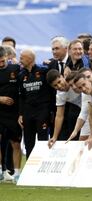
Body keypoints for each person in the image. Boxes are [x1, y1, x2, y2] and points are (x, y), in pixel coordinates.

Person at [18, 49, 52, 159]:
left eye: (22, 57)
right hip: (28, 112)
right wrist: (21, 114)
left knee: (43, 140)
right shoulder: (21, 75)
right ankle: (29, 167)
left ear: (30, 58)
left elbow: (52, 91)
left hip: (42, 111)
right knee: (28, 142)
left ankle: (43, 166)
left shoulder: (44, 71)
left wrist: (51, 110)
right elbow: (21, 97)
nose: (20, 60)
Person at [0, 46, 22, 182]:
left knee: (16, 143)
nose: (1, 64)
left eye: (2, 61)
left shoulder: (16, 69)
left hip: (14, 114)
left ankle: (17, 174)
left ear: (7, 57)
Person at [46, 69, 81, 148]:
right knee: (82, 141)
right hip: (87, 113)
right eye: (55, 85)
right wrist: (54, 137)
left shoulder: (74, 80)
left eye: (59, 82)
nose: (59, 86)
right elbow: (59, 116)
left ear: (62, 76)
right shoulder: (60, 95)